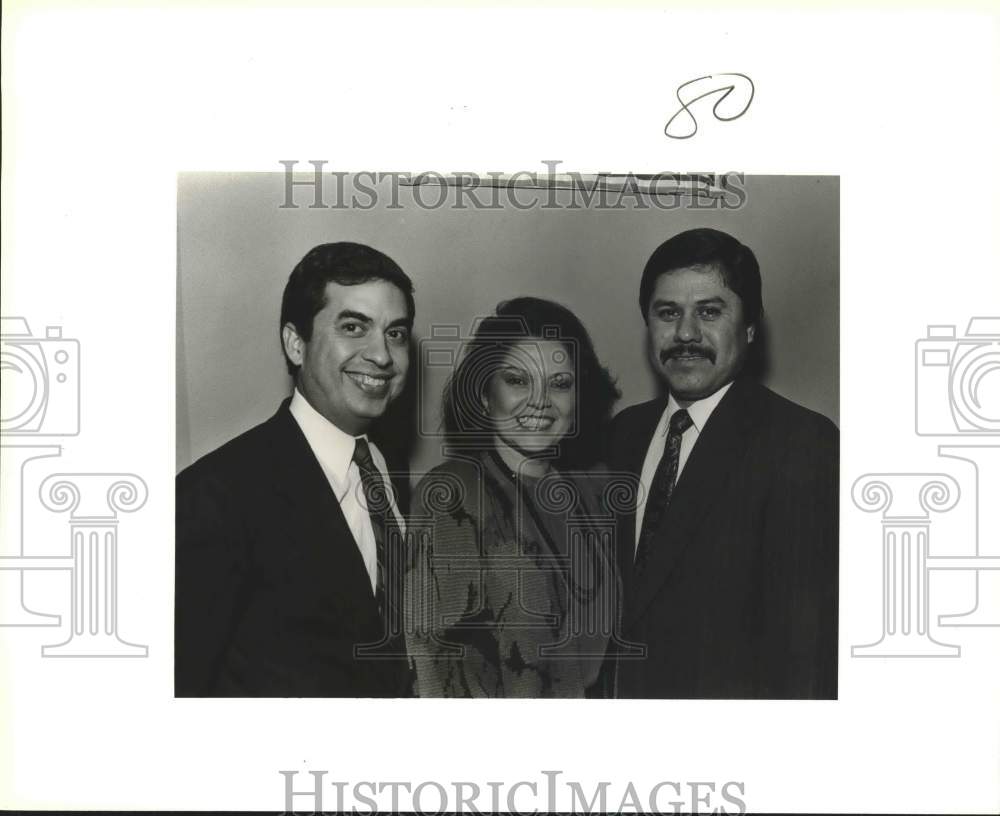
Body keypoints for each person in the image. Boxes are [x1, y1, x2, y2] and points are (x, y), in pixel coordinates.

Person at [606, 227, 838, 699]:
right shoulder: (620, 436)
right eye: (667, 313)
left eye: (709, 312)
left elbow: (807, 657)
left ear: (750, 326)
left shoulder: (802, 444)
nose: (685, 334)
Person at [175, 242, 415, 696]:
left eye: (396, 333)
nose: (382, 355)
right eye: (353, 327)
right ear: (295, 343)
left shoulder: (389, 469)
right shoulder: (213, 496)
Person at [405, 297, 621, 697]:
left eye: (560, 384)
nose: (540, 401)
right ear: (485, 394)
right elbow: (441, 675)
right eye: (517, 380)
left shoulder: (595, 490)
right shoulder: (454, 496)